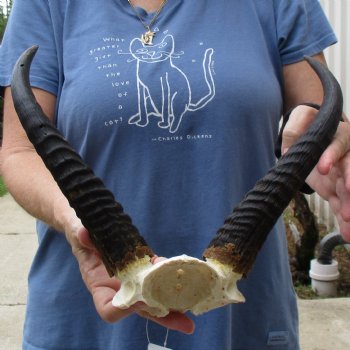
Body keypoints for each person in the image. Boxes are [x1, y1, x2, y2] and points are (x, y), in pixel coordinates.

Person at [1, 0, 350, 349]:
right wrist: (77, 223)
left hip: (238, 312)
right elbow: (20, 151)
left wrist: (325, 158)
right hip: (86, 318)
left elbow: (317, 122)